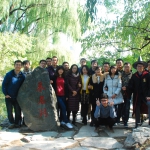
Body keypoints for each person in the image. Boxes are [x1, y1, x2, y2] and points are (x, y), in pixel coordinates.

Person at [2, 60, 25, 129]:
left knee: (18, 111)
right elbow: (4, 85)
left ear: (21, 66)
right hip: (9, 96)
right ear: (14, 65)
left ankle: (17, 123)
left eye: (19, 65)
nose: (18, 66)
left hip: (17, 97)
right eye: (16, 64)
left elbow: (24, 86)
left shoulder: (22, 76)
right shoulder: (9, 74)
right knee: (9, 111)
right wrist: (5, 94)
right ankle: (11, 123)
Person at [129, 57, 150, 128]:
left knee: (148, 106)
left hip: (146, 95)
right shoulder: (134, 76)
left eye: (141, 66)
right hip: (137, 95)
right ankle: (137, 123)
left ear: (143, 67)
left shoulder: (147, 75)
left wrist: (149, 95)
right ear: (136, 67)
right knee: (137, 108)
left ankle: (148, 122)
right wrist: (127, 89)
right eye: (138, 66)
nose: (139, 67)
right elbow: (131, 85)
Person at [121, 62, 132, 127]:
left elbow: (133, 85)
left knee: (127, 108)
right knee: (121, 107)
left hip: (129, 94)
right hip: (121, 94)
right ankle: (121, 119)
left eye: (128, 67)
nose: (126, 68)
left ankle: (126, 121)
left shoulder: (132, 75)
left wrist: (127, 88)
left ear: (130, 67)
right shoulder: (121, 74)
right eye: (125, 67)